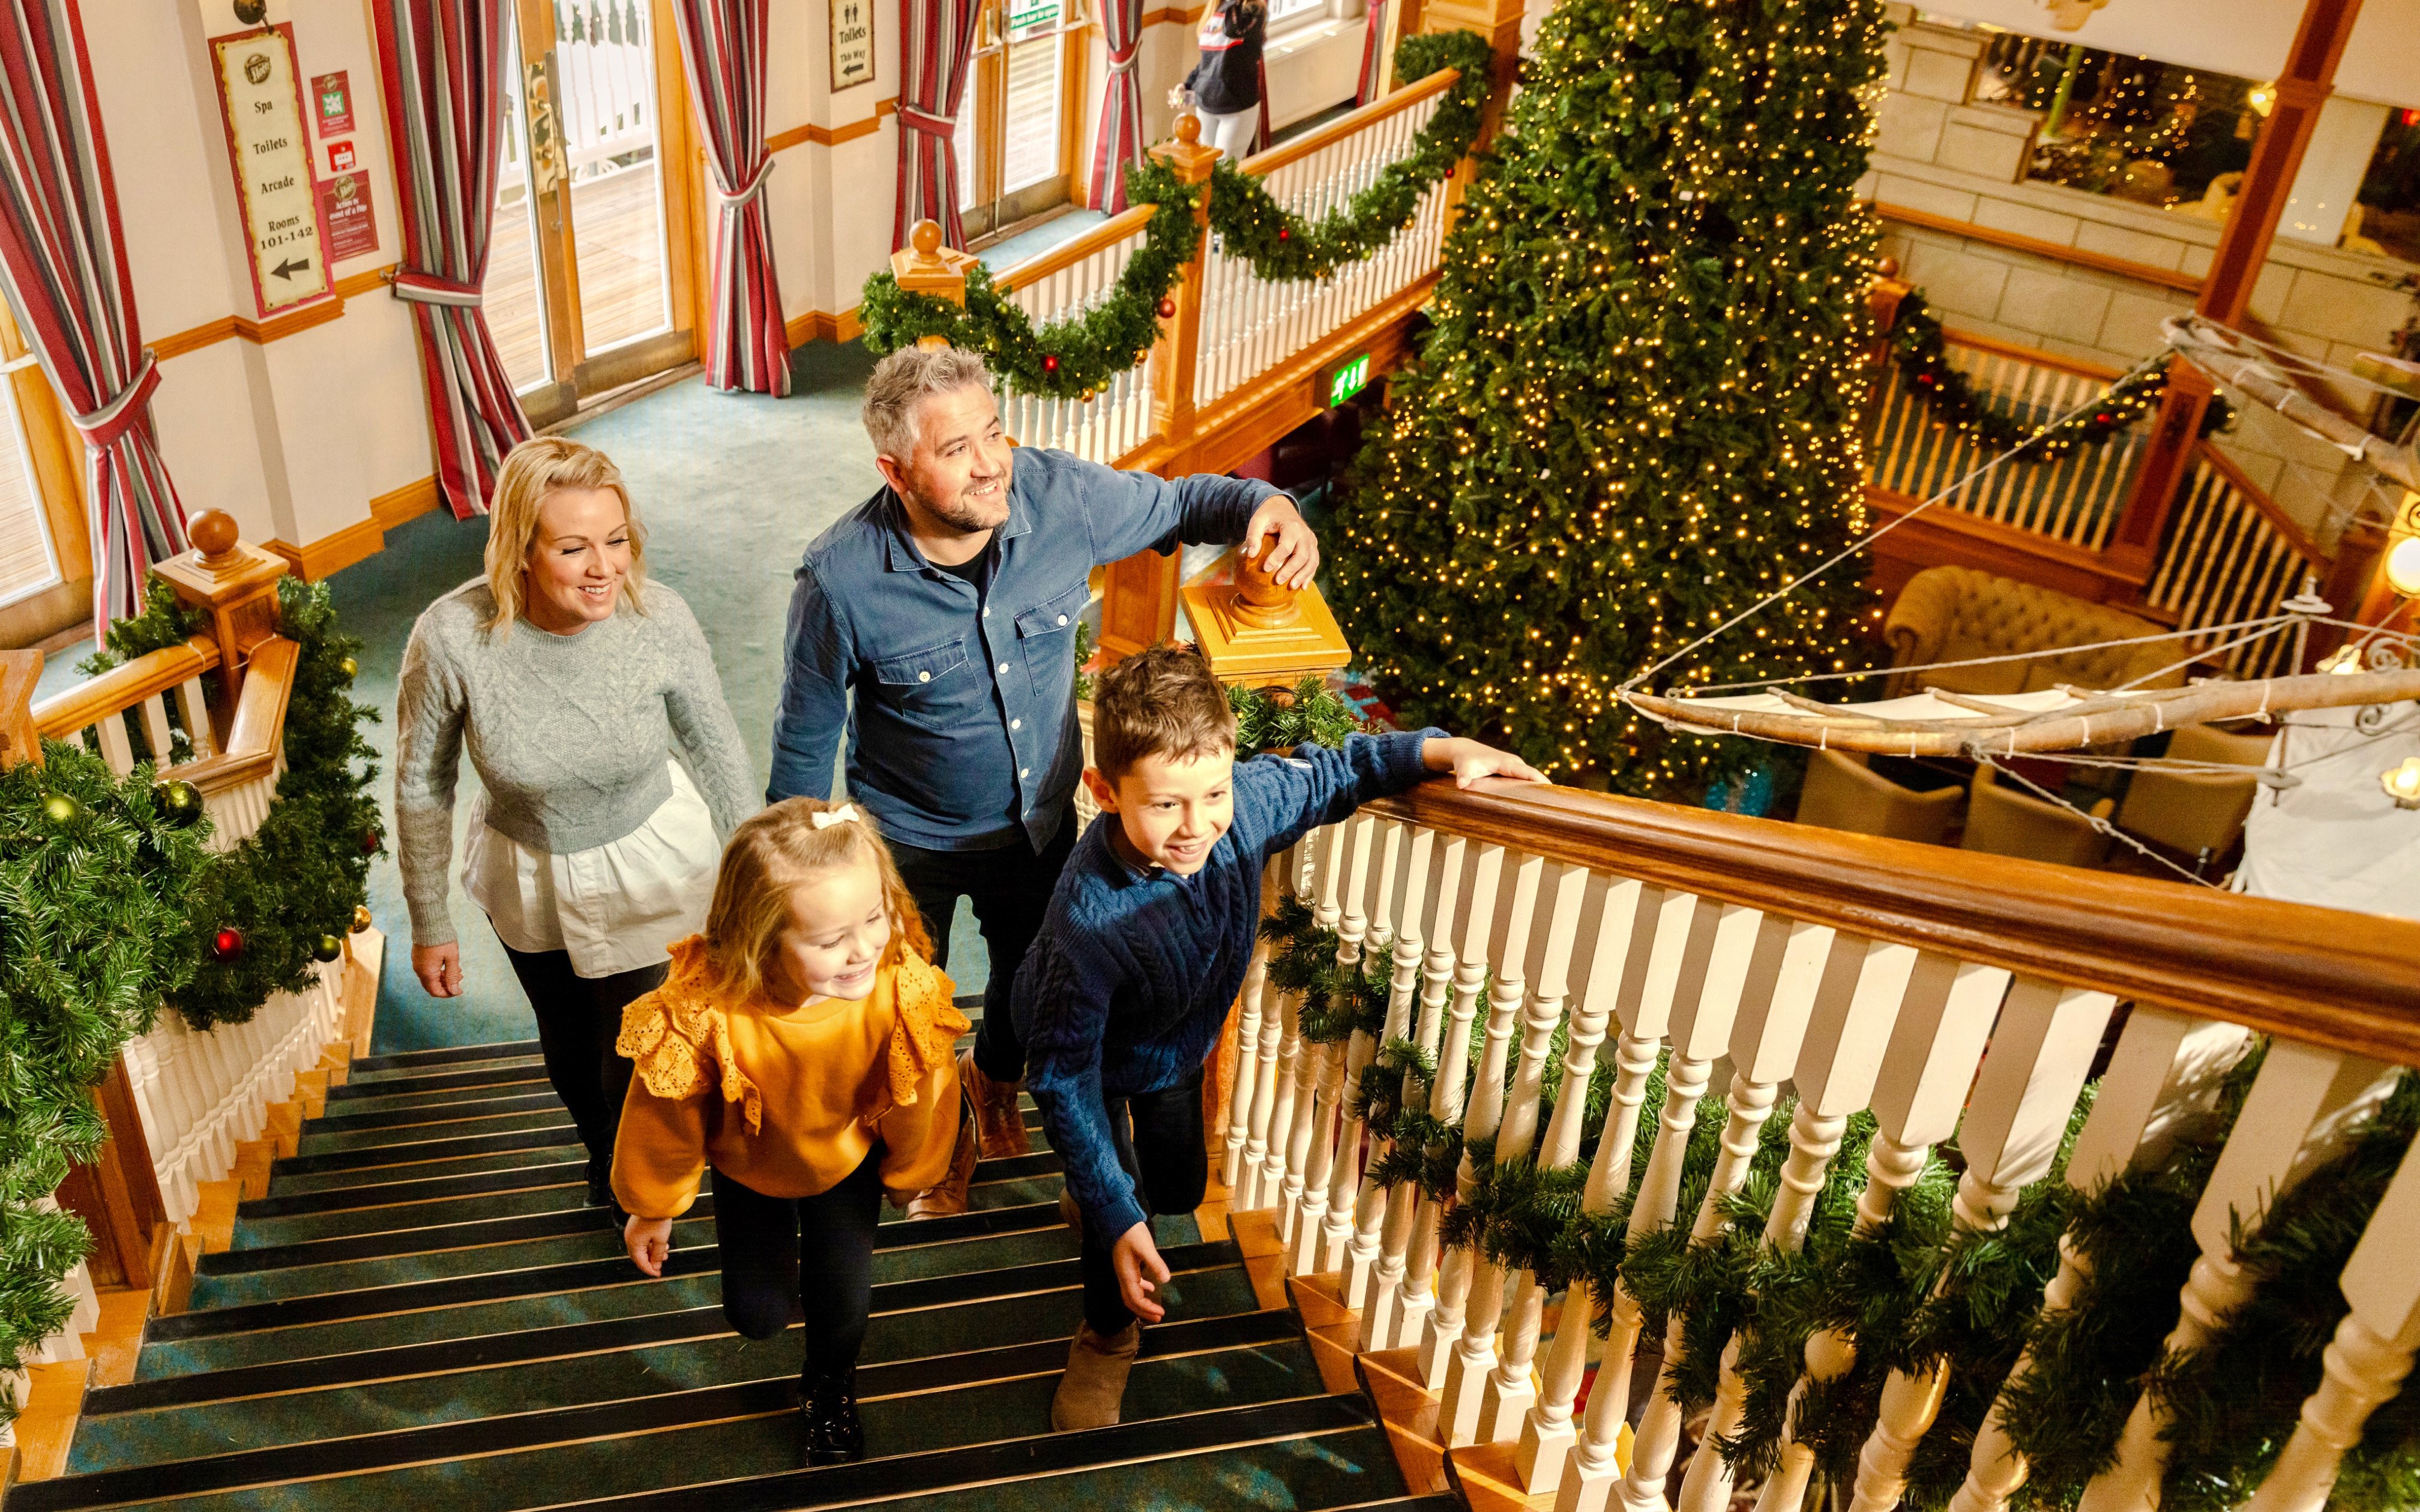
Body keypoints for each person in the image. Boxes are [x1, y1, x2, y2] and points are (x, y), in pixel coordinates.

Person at [768, 344, 1320, 1204]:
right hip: (905, 841)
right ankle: (935, 1143)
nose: (991, 463)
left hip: (1038, 825)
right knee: (904, 1010)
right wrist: (791, 892)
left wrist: (1268, 503)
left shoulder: (1061, 497)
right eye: (956, 449)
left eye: (993, 432)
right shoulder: (838, 580)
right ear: (896, 472)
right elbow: (803, 745)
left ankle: (990, 1080)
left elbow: (1184, 502)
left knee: (1028, 991)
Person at [1016, 643, 1547, 1430]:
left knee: (1179, 1191)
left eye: (1213, 794)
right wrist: (1113, 1209)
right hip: (1083, 1058)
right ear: (1105, 792)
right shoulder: (1086, 923)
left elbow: (1340, 769)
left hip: (1175, 1050)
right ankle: (1106, 1333)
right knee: (1118, 1206)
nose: (1196, 826)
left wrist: (1444, 750)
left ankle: (1102, 1189)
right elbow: (1062, 1080)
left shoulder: (1244, 809)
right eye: (1165, 805)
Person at [395, 437, 756, 1229]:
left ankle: (648, 1179)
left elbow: (715, 745)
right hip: (527, 870)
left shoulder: (659, 617)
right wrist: (429, 919)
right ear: (520, 551)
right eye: (573, 548)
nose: (604, 569)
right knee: (569, 1044)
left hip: (653, 859)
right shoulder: (451, 635)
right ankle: (604, 1151)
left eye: (616, 541)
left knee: (647, 1041)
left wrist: (756, 878)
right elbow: (422, 784)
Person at [612, 798, 969, 1464]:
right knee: (757, 1317)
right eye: (830, 941)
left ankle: (829, 1385)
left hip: (848, 1163)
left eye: (875, 918)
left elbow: (922, 1090)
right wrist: (652, 1206)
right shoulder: (705, 1006)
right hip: (750, 1166)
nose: (864, 950)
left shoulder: (900, 989)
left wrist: (911, 1172)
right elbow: (665, 1115)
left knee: (843, 1305)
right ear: (759, 938)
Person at [1176, 0, 1266, 161]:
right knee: (1208, 167)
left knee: (1225, 170)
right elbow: (1208, 63)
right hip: (1206, 105)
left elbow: (1233, 29)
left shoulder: (1253, 10)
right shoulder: (1216, 8)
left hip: (1236, 108)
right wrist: (1187, 85)